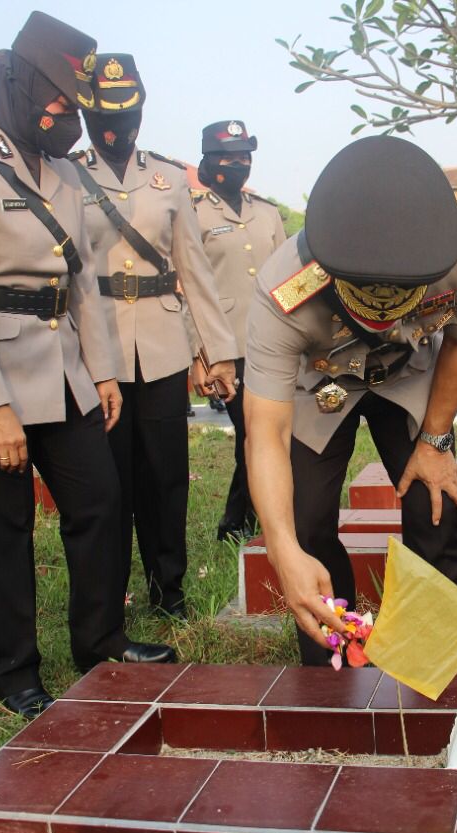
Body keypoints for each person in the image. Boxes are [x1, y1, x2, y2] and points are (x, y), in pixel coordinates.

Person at [0, 13, 176, 720]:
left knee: (98, 500)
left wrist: (103, 372)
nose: (67, 114)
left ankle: (100, 639)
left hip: (62, 372)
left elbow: (82, 280)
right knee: (3, 530)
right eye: (56, 100)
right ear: (22, 87)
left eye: (74, 104)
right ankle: (14, 671)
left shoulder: (62, 171)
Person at [244, 136, 457, 664]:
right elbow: (265, 435)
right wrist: (281, 550)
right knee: (305, 521)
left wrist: (435, 439)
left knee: (434, 500)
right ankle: (333, 655)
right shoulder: (282, 290)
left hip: (409, 372)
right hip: (321, 384)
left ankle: (447, 660)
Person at [76, 55, 238, 619]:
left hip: (164, 347)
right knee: (111, 480)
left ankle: (168, 590)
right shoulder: (68, 176)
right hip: (98, 349)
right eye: (102, 116)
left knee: (167, 477)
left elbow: (194, 269)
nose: (116, 129)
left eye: (126, 115)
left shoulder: (168, 179)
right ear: (87, 115)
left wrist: (217, 353)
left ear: (140, 113)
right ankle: (113, 594)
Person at [191, 120, 288, 540]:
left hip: (274, 341)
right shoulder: (193, 213)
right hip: (225, 344)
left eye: (244, 157)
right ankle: (240, 523)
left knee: (263, 432)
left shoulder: (266, 211)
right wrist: (199, 352)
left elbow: (288, 276)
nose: (238, 164)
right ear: (209, 162)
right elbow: (186, 286)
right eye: (229, 158)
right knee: (253, 432)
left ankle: (241, 522)